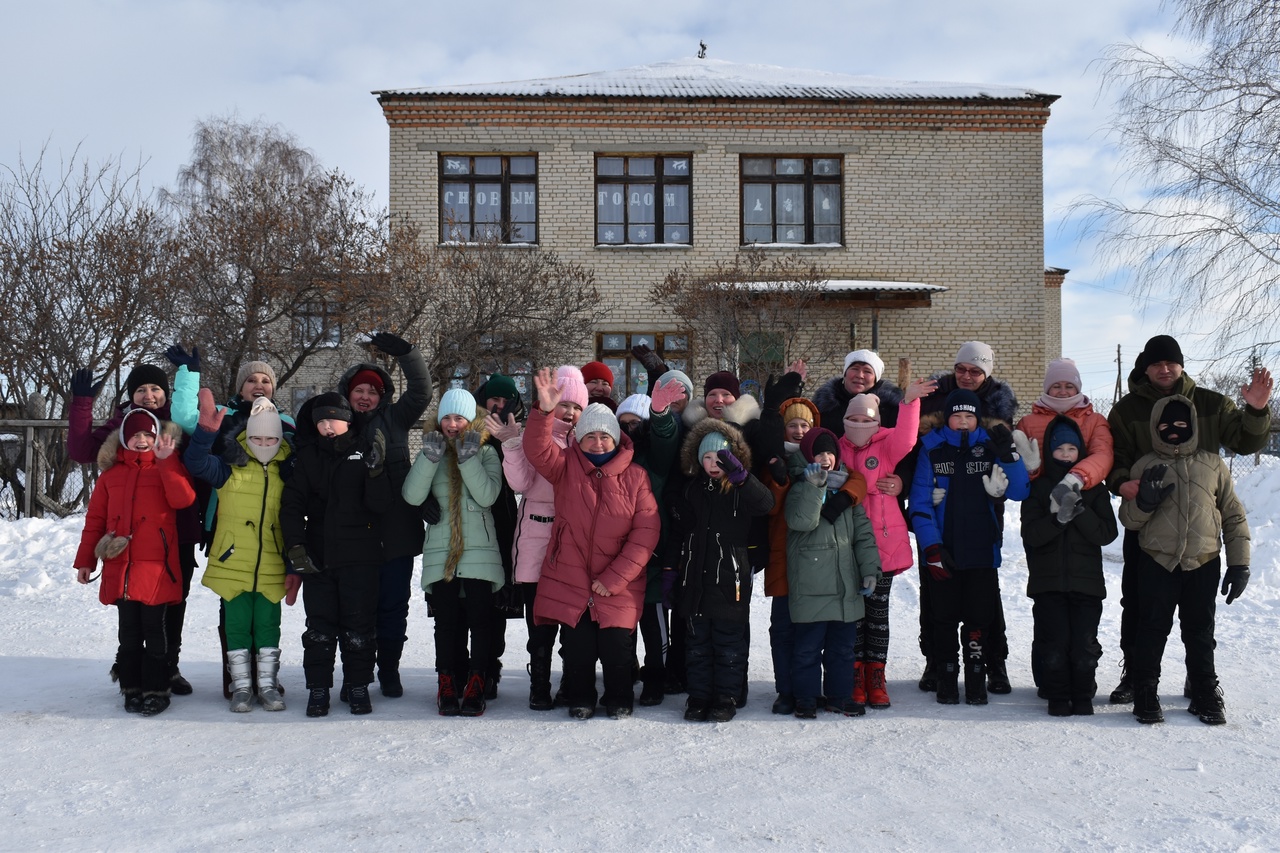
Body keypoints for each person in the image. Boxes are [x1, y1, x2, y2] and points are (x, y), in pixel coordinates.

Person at [1105, 335, 1271, 705]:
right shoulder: (1127, 410)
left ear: (1181, 365)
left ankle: (1199, 680)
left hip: (1198, 525)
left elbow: (1245, 442)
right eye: (1156, 364)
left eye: (1171, 363)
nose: (1164, 369)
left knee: (1199, 614)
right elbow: (1115, 460)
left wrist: (1257, 411)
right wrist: (1124, 484)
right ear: (1145, 368)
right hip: (1148, 522)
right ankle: (1136, 675)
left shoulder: (1211, 403)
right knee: (1138, 604)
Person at [523, 368, 660, 719]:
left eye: (605, 436)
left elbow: (645, 534)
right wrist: (543, 412)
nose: (598, 443)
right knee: (578, 648)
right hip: (570, 577)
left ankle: (619, 699)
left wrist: (614, 578)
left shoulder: (636, 476)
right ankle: (581, 698)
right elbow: (537, 450)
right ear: (578, 440)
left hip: (619, 583)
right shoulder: (565, 467)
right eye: (590, 436)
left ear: (616, 439)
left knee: (617, 648)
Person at [68, 352, 201, 696]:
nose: (148, 395)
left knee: (173, 600)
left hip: (176, 530)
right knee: (130, 605)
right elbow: (82, 450)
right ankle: (132, 665)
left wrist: (189, 376)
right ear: (131, 395)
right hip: (129, 535)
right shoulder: (123, 426)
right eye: (140, 389)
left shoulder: (177, 424)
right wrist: (83, 403)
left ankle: (167, 667)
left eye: (155, 388)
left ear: (165, 394)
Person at [1119, 395, 1251, 725]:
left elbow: (1233, 515)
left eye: (1180, 425)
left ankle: (1205, 690)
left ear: (1192, 426)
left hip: (1203, 561)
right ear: (1155, 429)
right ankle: (1146, 689)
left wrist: (1240, 563)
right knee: (1151, 628)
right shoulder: (1144, 465)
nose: (1173, 431)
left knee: (1200, 631)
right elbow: (1130, 521)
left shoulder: (1213, 464)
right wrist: (1144, 504)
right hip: (1158, 562)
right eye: (1165, 426)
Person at [910, 389, 1030, 706]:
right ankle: (947, 678)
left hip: (981, 553)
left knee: (979, 620)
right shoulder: (932, 449)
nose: (963, 423)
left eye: (969, 417)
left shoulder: (990, 447)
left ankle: (976, 677)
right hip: (943, 553)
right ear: (947, 418)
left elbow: (1020, 492)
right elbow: (920, 505)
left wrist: (1010, 456)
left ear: (977, 418)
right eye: (957, 416)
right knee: (944, 620)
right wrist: (931, 548)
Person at [280, 393, 392, 717]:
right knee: (319, 627)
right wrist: (296, 548)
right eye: (321, 421)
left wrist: (376, 472)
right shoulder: (308, 457)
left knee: (359, 627)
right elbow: (291, 506)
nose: (328, 426)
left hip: (361, 558)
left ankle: (357, 685)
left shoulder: (364, 452)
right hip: (319, 558)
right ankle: (318, 688)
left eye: (334, 419)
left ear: (348, 420)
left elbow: (381, 505)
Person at [184, 391, 296, 713]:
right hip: (233, 562)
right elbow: (195, 463)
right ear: (247, 437)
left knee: (267, 625)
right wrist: (206, 433)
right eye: (257, 436)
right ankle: (241, 686)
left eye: (271, 437)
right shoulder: (231, 466)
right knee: (235, 626)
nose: (264, 442)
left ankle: (268, 684)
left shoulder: (286, 471)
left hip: (272, 562)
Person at [336, 332, 432, 699]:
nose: (365, 396)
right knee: (356, 610)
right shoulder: (337, 424)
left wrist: (407, 352)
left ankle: (389, 670)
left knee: (393, 607)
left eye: (373, 391)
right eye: (359, 390)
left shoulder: (395, 419)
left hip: (396, 533)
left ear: (383, 397)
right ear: (348, 393)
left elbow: (421, 390)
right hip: (353, 537)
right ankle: (355, 673)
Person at [402, 388, 506, 717]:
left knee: (480, 619)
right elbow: (412, 495)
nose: (452, 423)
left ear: (470, 420)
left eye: (459, 417)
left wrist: (468, 458)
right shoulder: (432, 451)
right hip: (441, 551)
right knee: (446, 622)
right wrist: (429, 459)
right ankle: (446, 681)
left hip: (479, 552)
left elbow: (487, 494)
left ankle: (477, 681)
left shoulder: (486, 452)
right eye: (447, 417)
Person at [836, 376, 935, 708]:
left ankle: (876, 675)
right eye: (854, 419)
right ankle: (854, 674)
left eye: (867, 419)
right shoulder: (837, 446)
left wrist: (909, 403)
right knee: (853, 615)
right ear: (845, 420)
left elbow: (907, 438)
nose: (860, 424)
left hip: (884, 547)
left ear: (877, 422)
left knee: (877, 615)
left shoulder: (887, 444)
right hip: (846, 547)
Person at [670, 417, 773, 721]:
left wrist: (742, 479)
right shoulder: (692, 490)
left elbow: (766, 504)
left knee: (728, 642)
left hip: (730, 578)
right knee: (697, 643)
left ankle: (726, 696)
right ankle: (699, 696)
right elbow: (680, 530)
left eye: (720, 458)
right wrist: (670, 571)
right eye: (707, 457)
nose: (713, 464)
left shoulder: (741, 487)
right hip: (695, 577)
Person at [499, 365, 588, 711]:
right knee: (540, 621)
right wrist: (510, 445)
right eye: (565, 404)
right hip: (537, 535)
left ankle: (568, 680)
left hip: (572, 541)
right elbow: (519, 483)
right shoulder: (534, 436)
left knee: (570, 618)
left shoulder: (586, 440)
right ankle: (539, 684)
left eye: (577, 407)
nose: (570, 412)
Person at [1019, 418, 1118, 717]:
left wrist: (1080, 510)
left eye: (1071, 448)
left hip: (1086, 585)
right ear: (1049, 451)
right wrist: (1058, 520)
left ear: (1081, 452)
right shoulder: (1038, 489)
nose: (1064, 453)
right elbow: (1031, 535)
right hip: (1048, 585)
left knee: (1084, 647)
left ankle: (1083, 695)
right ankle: (1058, 696)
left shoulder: (1095, 490)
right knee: (1054, 645)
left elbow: (1106, 534)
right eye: (1058, 448)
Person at [785, 426, 880, 718]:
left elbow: (864, 537)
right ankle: (806, 697)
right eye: (819, 452)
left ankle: (840, 696)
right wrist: (815, 488)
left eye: (830, 452)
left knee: (842, 650)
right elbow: (801, 521)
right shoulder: (799, 487)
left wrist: (869, 570)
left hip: (845, 586)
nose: (825, 458)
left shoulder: (848, 494)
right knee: (807, 650)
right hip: (811, 586)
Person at [615, 386, 684, 706]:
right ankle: (626, 670)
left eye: (636, 423)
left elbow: (667, 437)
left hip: (653, 550)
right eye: (623, 423)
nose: (630, 429)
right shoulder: (611, 454)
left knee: (654, 623)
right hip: (616, 552)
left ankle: (656, 674)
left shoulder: (655, 457)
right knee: (622, 620)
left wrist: (659, 417)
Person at [813, 349, 904, 432]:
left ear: (876, 379)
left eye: (867, 371)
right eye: (855, 369)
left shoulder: (890, 408)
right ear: (845, 374)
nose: (860, 375)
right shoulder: (824, 406)